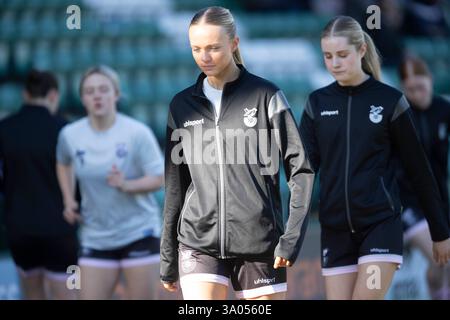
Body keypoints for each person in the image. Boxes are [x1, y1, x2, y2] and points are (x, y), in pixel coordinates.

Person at [160, 6, 315, 300]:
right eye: (196, 48)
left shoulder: (267, 96)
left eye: (214, 48)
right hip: (198, 241)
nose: (204, 57)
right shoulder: (180, 106)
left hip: (259, 243)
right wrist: (168, 256)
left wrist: (291, 239)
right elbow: (175, 186)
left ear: (234, 43)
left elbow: (302, 171)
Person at [299, 15, 450, 300]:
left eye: (342, 55)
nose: (335, 63)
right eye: (328, 56)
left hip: (380, 227)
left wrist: (440, 232)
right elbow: (303, 172)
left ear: (362, 51)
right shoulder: (317, 103)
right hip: (335, 231)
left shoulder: (390, 101)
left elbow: (420, 171)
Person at [56, 65, 164, 299]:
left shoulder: (137, 132)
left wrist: (127, 185)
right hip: (95, 235)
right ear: (82, 98)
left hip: (139, 232)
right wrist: (67, 199)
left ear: (116, 94)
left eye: (104, 89)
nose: (97, 95)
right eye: (90, 91)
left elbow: (160, 178)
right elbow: (62, 162)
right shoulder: (70, 135)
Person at [0, 69, 78, 299]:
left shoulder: (4, 129)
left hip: (20, 229)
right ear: (54, 95)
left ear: (25, 94)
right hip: (60, 228)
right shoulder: (65, 129)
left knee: (32, 295)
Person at [397, 55, 450, 299]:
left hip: (438, 200)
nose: (417, 94)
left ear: (430, 80)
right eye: (410, 90)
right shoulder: (400, 114)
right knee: (442, 257)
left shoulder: (442, 108)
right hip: (407, 202)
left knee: (442, 266)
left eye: (421, 86)